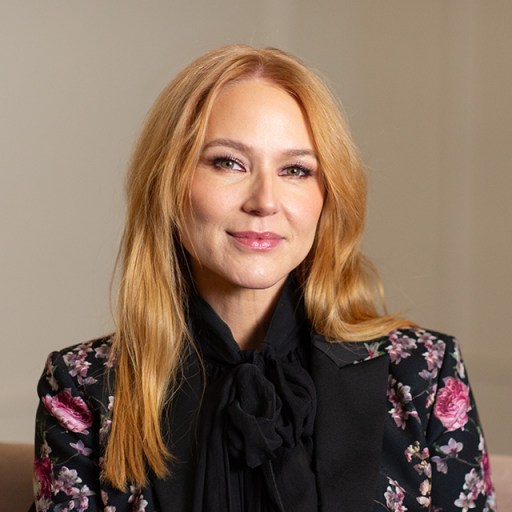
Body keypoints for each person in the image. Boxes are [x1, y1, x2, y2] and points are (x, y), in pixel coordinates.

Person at [30, 45, 496, 512]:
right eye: (228, 162)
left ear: (327, 196)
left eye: (296, 170)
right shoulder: (83, 387)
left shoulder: (424, 374)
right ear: (168, 183)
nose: (265, 201)